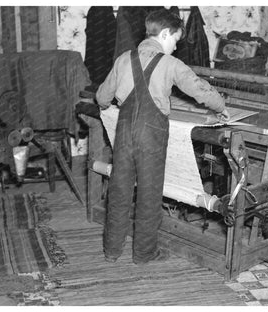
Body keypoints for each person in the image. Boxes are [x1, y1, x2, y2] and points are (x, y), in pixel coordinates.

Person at [96, 8, 230, 265]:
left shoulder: (124, 58)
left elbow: (102, 97)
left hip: (124, 131)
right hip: (151, 134)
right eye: (176, 40)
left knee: (119, 190)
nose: (176, 47)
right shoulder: (170, 64)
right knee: (149, 193)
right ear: (165, 33)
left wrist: (107, 107)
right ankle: (144, 253)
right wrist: (221, 107)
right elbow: (200, 90)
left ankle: (111, 251)